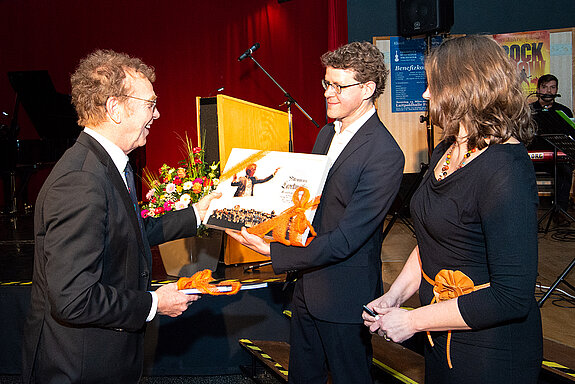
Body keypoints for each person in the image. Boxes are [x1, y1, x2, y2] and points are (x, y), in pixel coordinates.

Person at [22, 50, 220, 384]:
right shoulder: (81, 182)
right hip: (80, 367)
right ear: (115, 108)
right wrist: (154, 303)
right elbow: (73, 298)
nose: (156, 115)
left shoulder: (108, 164)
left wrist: (197, 214)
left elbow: (128, 230)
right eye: (150, 105)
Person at [363, 35, 542, 384]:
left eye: (434, 85)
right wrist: (394, 296)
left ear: (467, 89)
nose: (427, 94)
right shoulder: (446, 148)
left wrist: (414, 320)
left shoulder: (506, 171)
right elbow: (434, 239)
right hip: (441, 335)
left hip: (490, 352)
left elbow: (512, 297)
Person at [227, 41, 404, 384]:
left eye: (339, 86)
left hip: (344, 297)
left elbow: (347, 239)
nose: (328, 93)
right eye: (326, 83)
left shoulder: (385, 153)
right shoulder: (326, 133)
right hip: (307, 288)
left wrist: (274, 251)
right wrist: (264, 221)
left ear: (368, 89)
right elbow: (309, 208)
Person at [530, 74, 574, 225]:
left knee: (566, 169)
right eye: (544, 87)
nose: (548, 91)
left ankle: (560, 212)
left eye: (552, 87)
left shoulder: (564, 112)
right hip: (533, 157)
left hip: (556, 157)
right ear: (538, 89)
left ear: (557, 90)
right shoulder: (528, 111)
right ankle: (527, 213)